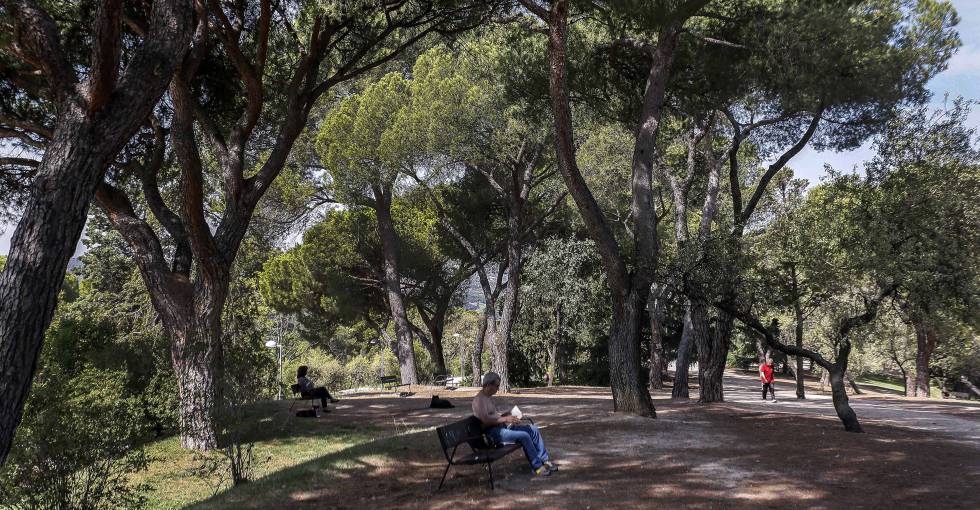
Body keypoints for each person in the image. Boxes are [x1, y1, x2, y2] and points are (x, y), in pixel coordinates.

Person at [471, 372, 557, 476]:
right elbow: (485, 422)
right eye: (496, 386)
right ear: (488, 385)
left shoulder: (488, 397)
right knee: (524, 436)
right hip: (493, 434)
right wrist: (505, 419)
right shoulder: (479, 400)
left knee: (533, 429)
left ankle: (545, 461)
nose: (498, 389)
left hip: (501, 428)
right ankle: (537, 467)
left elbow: (492, 416)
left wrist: (506, 415)